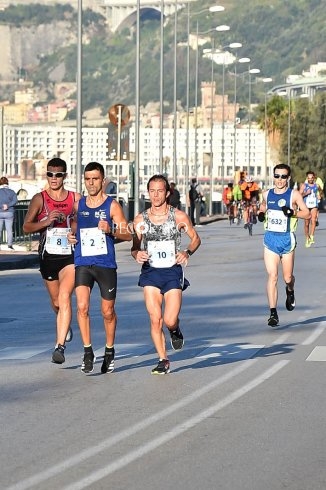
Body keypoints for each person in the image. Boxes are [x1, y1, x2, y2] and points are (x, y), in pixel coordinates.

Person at [131, 174, 201, 374]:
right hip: (151, 272)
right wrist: (138, 254)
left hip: (172, 272)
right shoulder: (140, 220)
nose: (155, 195)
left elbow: (195, 239)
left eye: (159, 191)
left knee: (169, 319)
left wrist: (187, 252)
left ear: (167, 193)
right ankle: (163, 359)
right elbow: (134, 248)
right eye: (152, 191)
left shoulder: (177, 216)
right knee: (155, 318)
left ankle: (174, 330)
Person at [67, 162, 131, 375]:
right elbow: (73, 228)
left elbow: (127, 234)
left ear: (102, 181)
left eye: (95, 179)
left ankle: (109, 350)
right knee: (82, 307)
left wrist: (111, 229)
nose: (91, 183)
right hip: (83, 262)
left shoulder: (112, 206)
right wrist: (71, 236)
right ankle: (87, 352)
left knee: (107, 312)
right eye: (87, 179)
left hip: (105, 264)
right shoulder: (79, 205)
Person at [23, 158, 81, 364]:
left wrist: (74, 228)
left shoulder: (75, 198)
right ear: (46, 175)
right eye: (50, 174)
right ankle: (64, 323)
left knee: (65, 297)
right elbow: (26, 227)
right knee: (57, 302)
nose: (53, 178)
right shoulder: (40, 198)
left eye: (58, 175)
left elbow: (84, 220)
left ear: (65, 176)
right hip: (48, 256)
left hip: (69, 256)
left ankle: (59, 347)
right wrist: (46, 221)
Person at [258, 163, 310, 327]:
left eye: (283, 177)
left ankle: (290, 290)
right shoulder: (266, 194)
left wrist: (293, 212)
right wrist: (261, 212)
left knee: (287, 277)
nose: (279, 180)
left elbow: (307, 213)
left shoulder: (293, 195)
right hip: (270, 240)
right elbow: (263, 205)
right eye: (277, 176)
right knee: (272, 276)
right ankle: (273, 313)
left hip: (287, 240)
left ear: (288, 178)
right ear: (273, 176)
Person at [299, 171, 322, 247]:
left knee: (313, 220)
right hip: (306, 206)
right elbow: (299, 196)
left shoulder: (316, 186)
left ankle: (312, 236)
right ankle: (307, 238)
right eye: (309, 178)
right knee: (306, 223)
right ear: (307, 178)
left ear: (314, 178)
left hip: (314, 205)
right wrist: (306, 193)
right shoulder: (304, 186)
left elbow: (320, 191)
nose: (310, 179)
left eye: (311, 178)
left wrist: (319, 196)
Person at [0, 176, 18, 250]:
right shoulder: (12, 192)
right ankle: (10, 245)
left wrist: (2, 206)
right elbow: (15, 201)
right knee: (9, 229)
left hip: (0, 212)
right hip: (9, 212)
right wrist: (8, 205)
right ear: (7, 183)